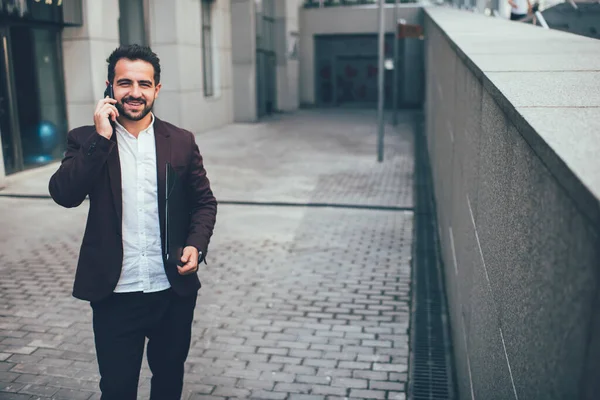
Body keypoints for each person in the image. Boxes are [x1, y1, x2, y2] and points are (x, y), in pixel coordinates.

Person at [48, 45, 217, 399]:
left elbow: (204, 202)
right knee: (117, 388)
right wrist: (101, 138)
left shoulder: (181, 141)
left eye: (144, 83)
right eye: (125, 83)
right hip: (115, 294)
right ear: (110, 87)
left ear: (157, 88)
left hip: (172, 291)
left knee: (169, 382)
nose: (135, 92)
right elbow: (65, 194)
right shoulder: (85, 138)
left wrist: (195, 245)